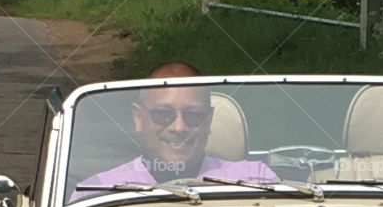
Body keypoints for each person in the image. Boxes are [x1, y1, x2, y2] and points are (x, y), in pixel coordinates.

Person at [73, 62, 277, 198]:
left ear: (209, 120)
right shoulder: (98, 190)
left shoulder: (255, 180)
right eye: (163, 114)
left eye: (194, 115)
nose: (179, 127)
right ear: (138, 118)